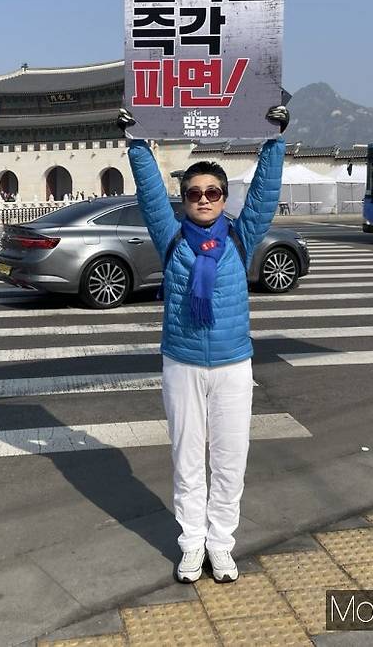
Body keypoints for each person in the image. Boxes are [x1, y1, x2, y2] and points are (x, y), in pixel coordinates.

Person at [119, 104, 288, 585]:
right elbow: (150, 195)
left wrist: (275, 139)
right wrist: (135, 143)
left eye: (214, 192)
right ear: (186, 198)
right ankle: (192, 545)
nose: (205, 199)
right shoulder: (172, 239)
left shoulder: (240, 237)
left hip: (234, 366)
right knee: (188, 459)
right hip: (183, 364)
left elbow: (263, 196)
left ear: (223, 197)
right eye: (195, 193)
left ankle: (223, 546)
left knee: (230, 460)